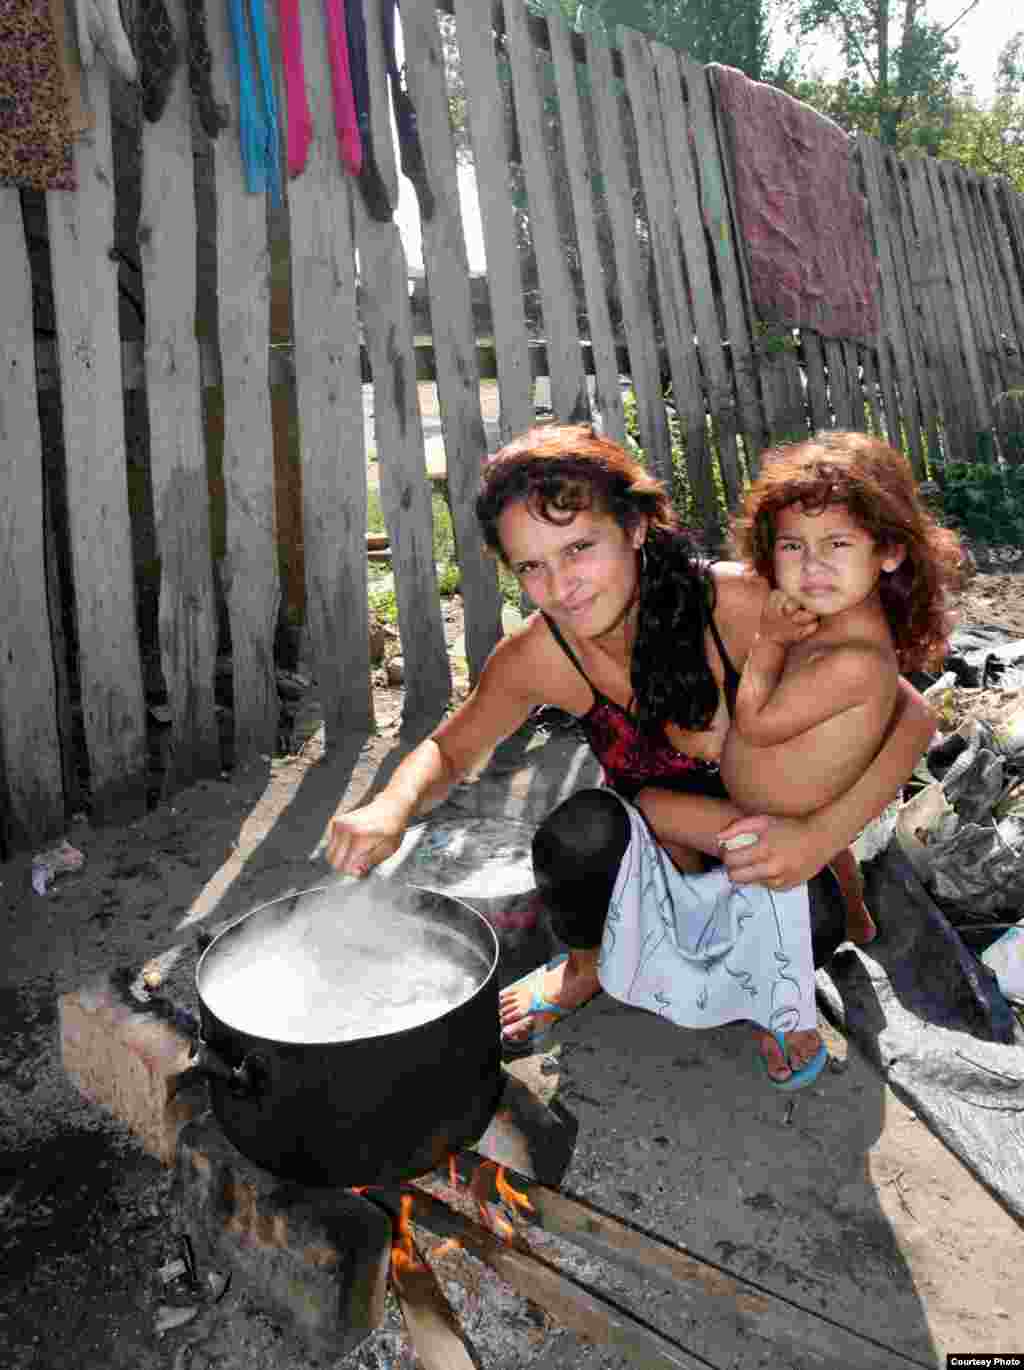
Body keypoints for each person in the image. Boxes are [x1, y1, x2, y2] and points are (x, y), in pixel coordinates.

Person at [324, 424, 939, 1087]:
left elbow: (912, 715)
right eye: (531, 566)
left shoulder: (738, 604)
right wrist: (388, 807)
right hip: (665, 849)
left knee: (813, 916)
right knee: (579, 836)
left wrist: (819, 838)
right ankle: (585, 970)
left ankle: (768, 994)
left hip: (774, 854)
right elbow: (449, 750)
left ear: (637, 528)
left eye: (579, 548)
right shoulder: (542, 654)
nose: (562, 586)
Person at [720, 431, 963, 950]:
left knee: (657, 810)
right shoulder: (838, 616)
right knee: (834, 852)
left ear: (890, 551)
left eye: (837, 543)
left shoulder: (853, 656)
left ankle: (785, 1003)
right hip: (799, 795)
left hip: (778, 810)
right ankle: (855, 913)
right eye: (793, 545)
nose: (811, 566)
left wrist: (768, 644)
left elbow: (755, 723)